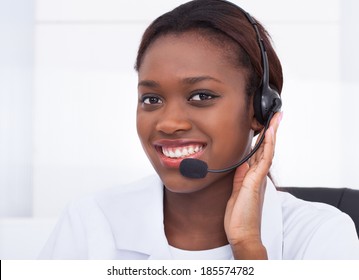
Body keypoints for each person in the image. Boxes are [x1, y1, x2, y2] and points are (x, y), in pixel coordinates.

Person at [39, 0, 359, 259]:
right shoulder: (90, 222)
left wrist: (247, 245)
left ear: (261, 110)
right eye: (151, 98)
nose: (168, 123)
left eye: (201, 96)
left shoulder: (321, 234)